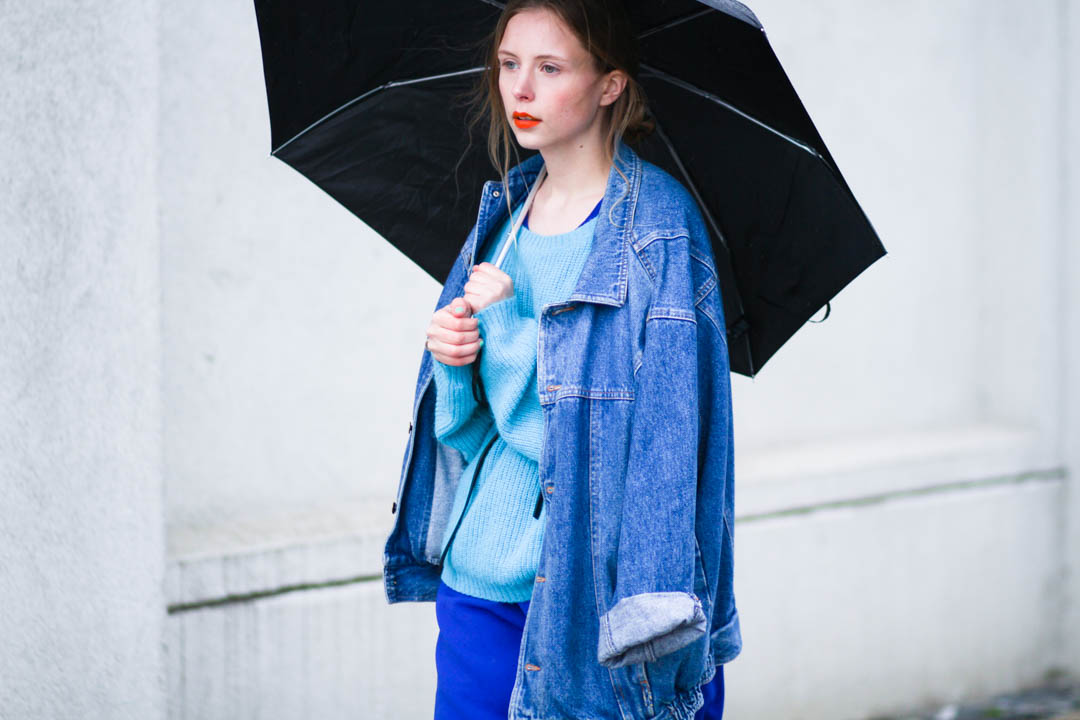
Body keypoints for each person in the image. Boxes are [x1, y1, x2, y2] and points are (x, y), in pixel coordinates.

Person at [384, 1, 740, 718]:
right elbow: (470, 436)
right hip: (481, 584)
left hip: (596, 604)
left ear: (609, 86)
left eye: (550, 68)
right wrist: (454, 365)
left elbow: (655, 455)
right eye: (510, 65)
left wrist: (512, 330)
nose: (520, 90)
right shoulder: (504, 215)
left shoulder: (657, 233)